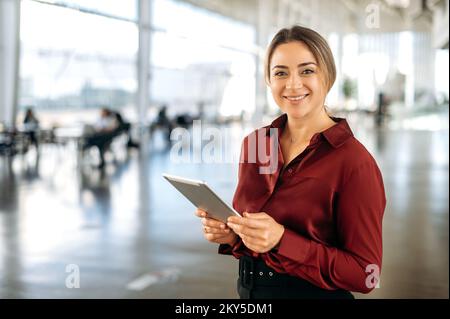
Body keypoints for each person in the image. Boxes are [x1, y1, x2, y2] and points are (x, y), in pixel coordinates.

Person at [195, 26, 386, 299]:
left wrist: (283, 240)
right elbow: (250, 230)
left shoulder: (354, 162)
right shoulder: (256, 144)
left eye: (307, 71)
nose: (293, 84)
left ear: (327, 76)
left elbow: (366, 273)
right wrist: (232, 235)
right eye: (280, 72)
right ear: (268, 80)